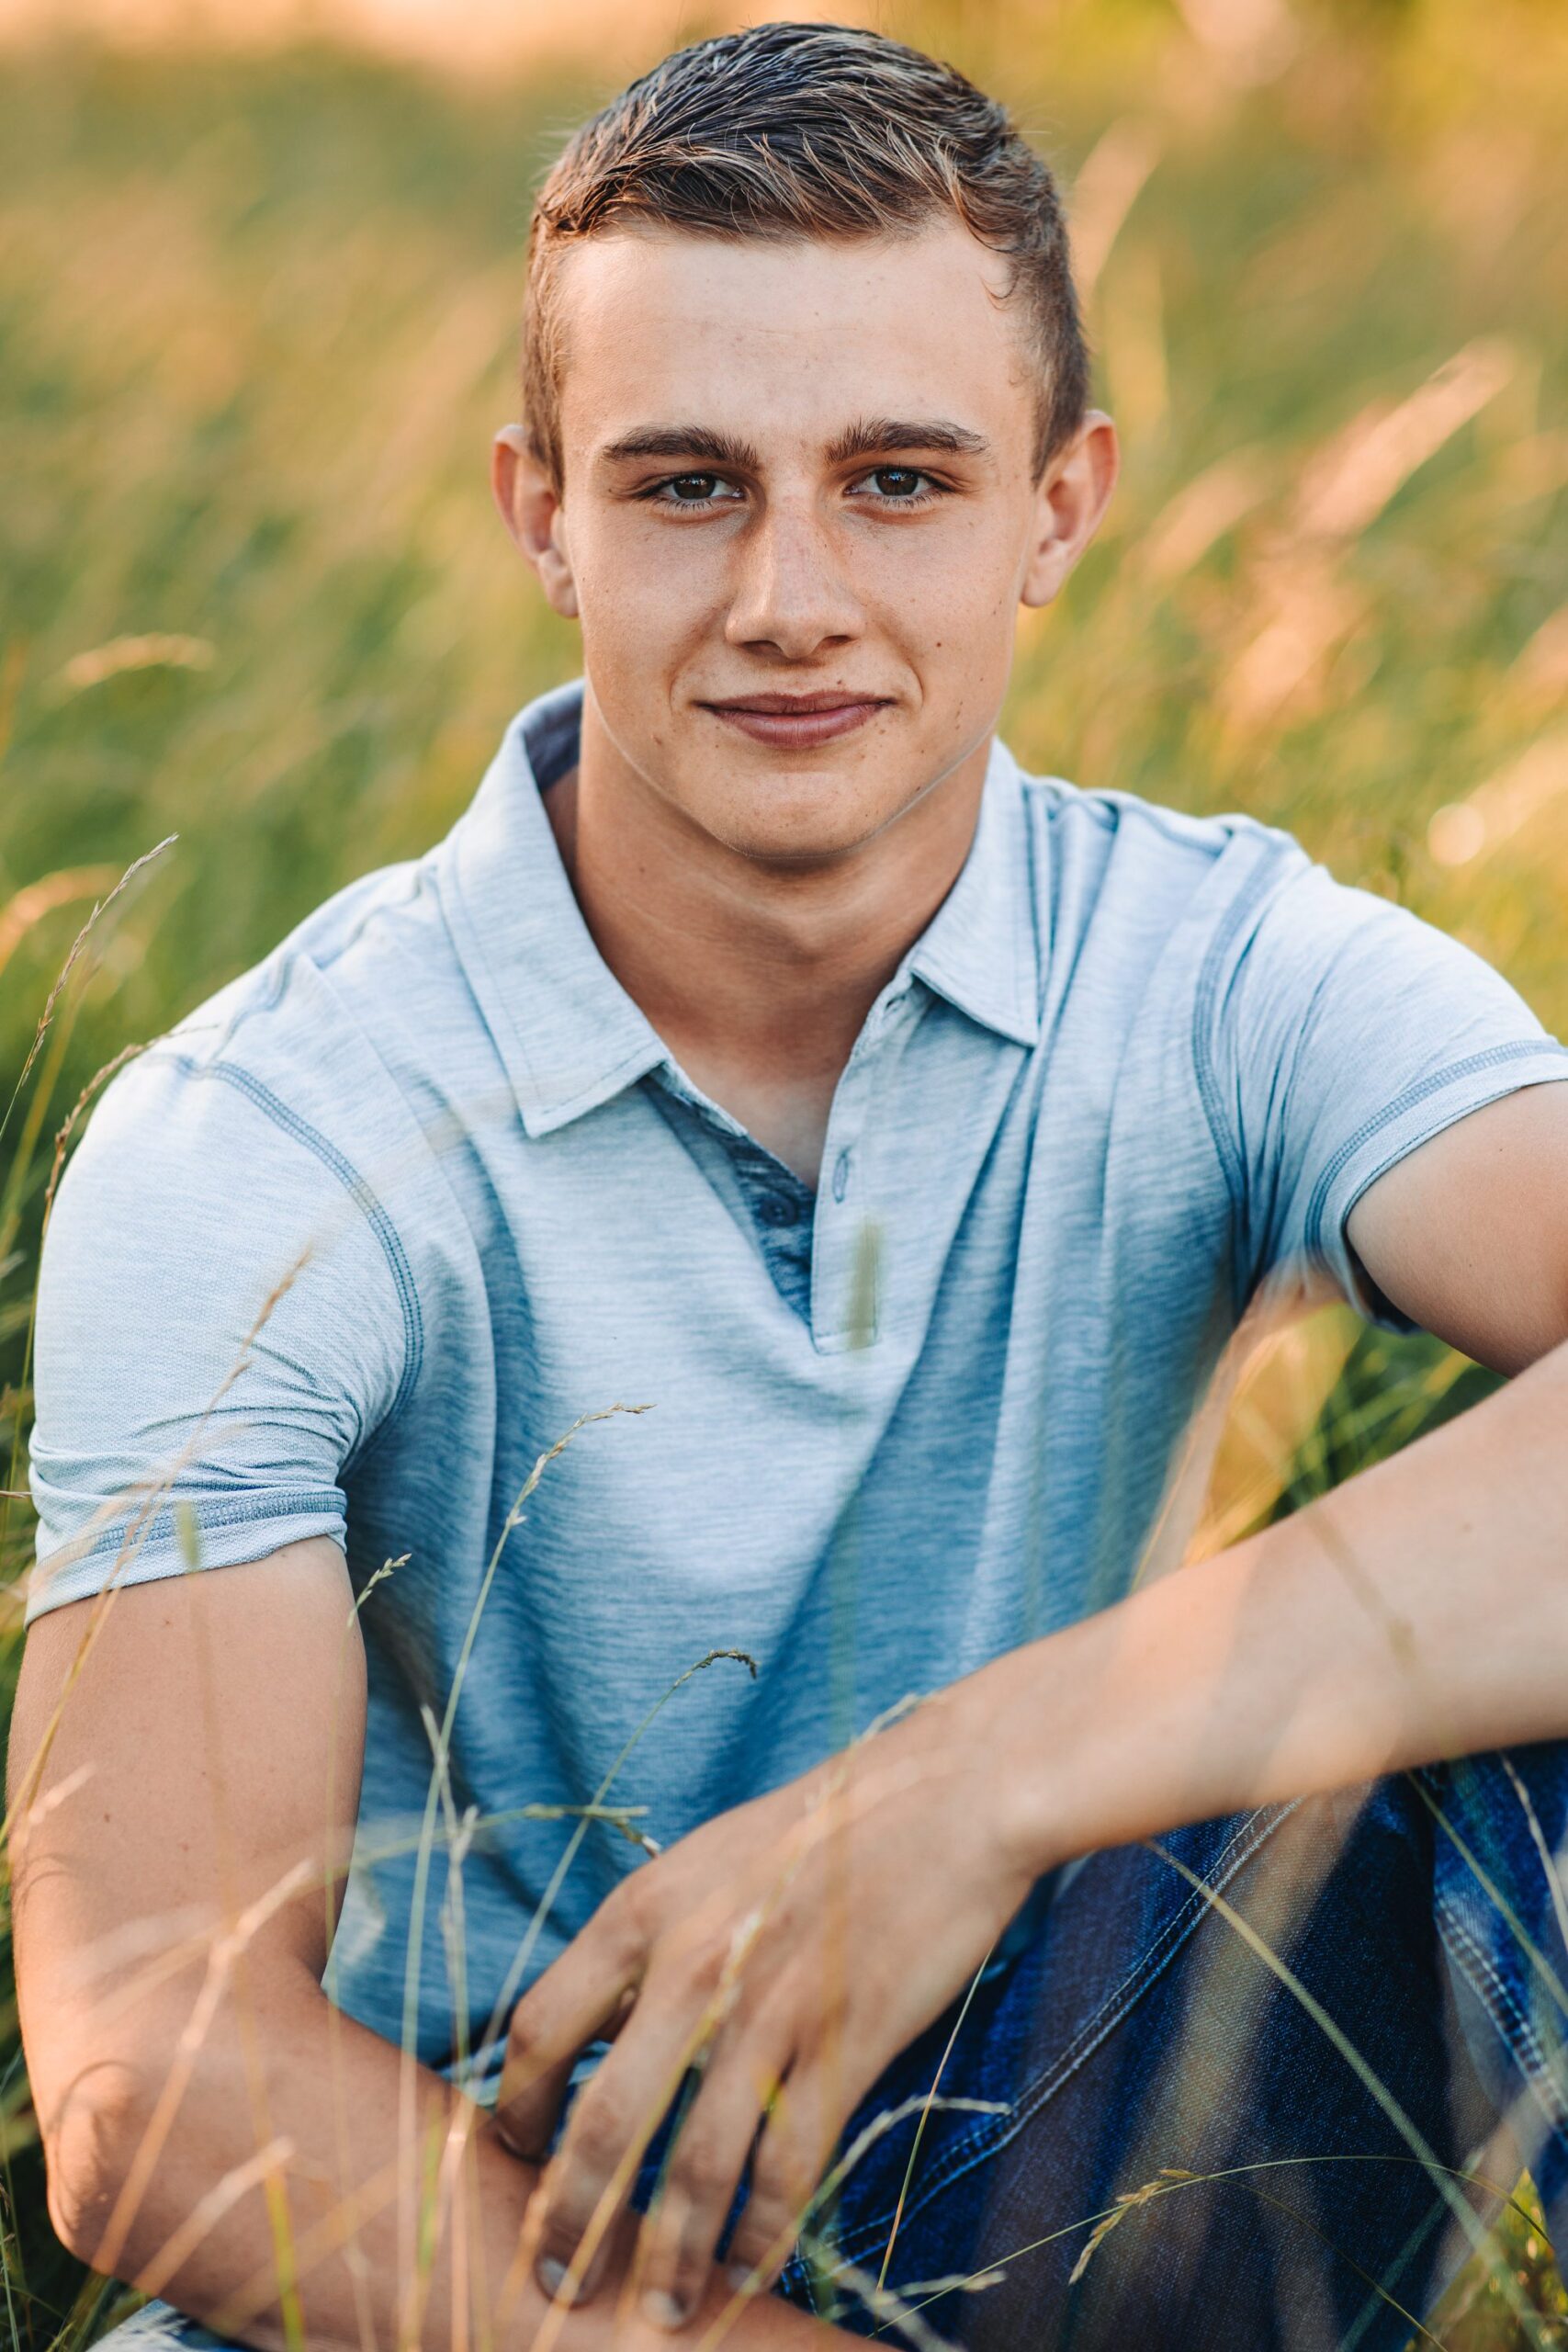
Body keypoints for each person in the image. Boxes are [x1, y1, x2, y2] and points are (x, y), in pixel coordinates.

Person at [11, 20, 1568, 2351]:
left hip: (1052, 2123)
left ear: (1061, 501)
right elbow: (158, 2078)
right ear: (542, 511)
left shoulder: (1229, 973)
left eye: (900, 479)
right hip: (463, 2276)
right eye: (685, 486)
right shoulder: (270, 1133)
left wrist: (968, 1782)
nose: (790, 597)